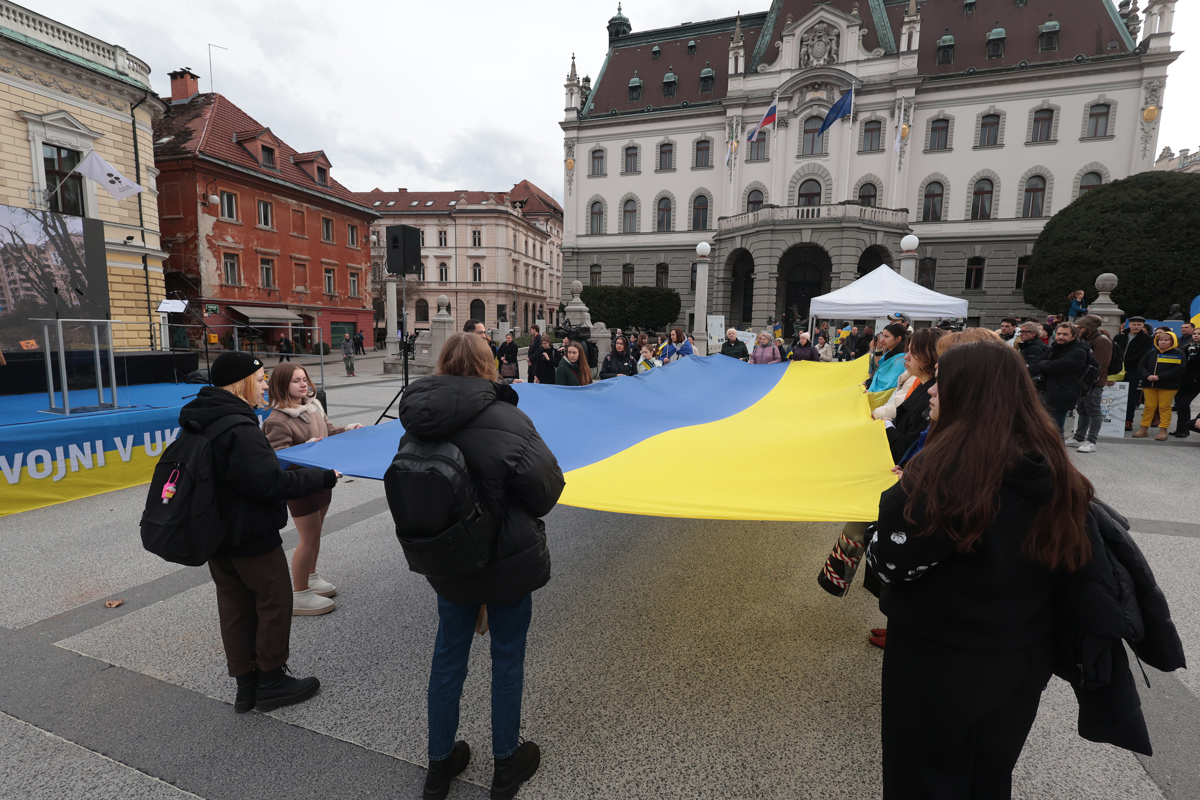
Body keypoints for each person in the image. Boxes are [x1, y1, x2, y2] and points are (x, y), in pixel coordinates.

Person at [865, 340, 1093, 799]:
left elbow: (890, 564)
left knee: (924, 774)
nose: (930, 391)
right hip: (1022, 653)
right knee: (989, 774)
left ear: (968, 393)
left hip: (940, 655)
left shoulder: (945, 473)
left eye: (942, 383)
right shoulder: (1051, 465)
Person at [395, 332, 564, 800]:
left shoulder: (417, 422)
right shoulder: (509, 418)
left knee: (448, 657)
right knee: (506, 659)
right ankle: (506, 767)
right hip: (506, 561)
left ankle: (438, 766)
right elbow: (546, 492)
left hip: (449, 561)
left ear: (443, 364)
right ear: (490, 365)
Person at [178, 352, 340, 714]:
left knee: (235, 605)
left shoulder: (205, 417)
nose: (266, 384)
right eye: (261, 378)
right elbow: (268, 482)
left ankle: (246, 684)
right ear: (242, 383)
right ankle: (271, 681)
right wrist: (325, 475)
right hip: (248, 530)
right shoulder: (239, 425)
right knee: (274, 599)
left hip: (216, 531)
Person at [263, 364, 364, 615]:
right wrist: (306, 449)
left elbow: (329, 432)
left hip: (321, 481)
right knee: (307, 539)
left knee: (316, 534)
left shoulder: (313, 406)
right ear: (281, 386)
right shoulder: (278, 419)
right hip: (300, 486)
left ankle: (311, 576)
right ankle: (299, 593)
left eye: (304, 378)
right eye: (296, 381)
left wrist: (349, 429)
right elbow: (277, 459)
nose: (303, 384)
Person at [1029, 322, 1088, 434]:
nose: (1061, 337)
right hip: (1047, 391)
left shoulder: (1079, 351)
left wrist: (1045, 364)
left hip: (1062, 394)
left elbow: (1055, 367)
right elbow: (1034, 364)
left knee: (1055, 429)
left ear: (1074, 336)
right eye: (1059, 333)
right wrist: (1047, 365)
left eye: (1065, 334)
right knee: (1044, 428)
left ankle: (1058, 451)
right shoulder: (1055, 347)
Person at [1070, 315, 1113, 453]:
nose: (1078, 329)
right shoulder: (1085, 339)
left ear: (1089, 328)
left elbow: (1101, 365)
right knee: (1082, 410)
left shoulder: (1102, 340)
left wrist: (1089, 381)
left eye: (1081, 327)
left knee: (1094, 411)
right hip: (1082, 381)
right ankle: (1078, 438)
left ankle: (1091, 441)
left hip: (1094, 382)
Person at [1133, 330, 1185, 440]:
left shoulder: (1178, 354)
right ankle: (1143, 429)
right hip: (1149, 384)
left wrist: (1160, 376)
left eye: (1166, 340)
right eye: (1160, 340)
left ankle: (1163, 430)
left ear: (1173, 341)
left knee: (1164, 407)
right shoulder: (1151, 353)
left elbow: (1178, 369)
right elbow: (1141, 365)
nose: (1163, 342)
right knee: (1149, 407)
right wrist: (1147, 375)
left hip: (1168, 386)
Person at [1113, 316, 1153, 430]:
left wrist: (1124, 363)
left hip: (1133, 370)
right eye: (1134, 324)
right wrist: (1118, 364)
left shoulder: (1147, 339)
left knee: (1131, 395)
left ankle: (1128, 420)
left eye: (1139, 325)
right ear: (1129, 325)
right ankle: (1113, 417)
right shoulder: (1119, 337)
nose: (1136, 327)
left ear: (1143, 326)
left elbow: (1142, 354)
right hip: (1117, 369)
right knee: (1115, 393)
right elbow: (1114, 351)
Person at [1172, 328, 1200, 438]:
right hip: (1182, 381)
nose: (1196, 335)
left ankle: (1184, 429)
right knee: (1180, 405)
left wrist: (1196, 378)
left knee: (1184, 403)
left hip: (1195, 383)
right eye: (1195, 334)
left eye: (1199, 334)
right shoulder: (1186, 347)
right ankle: (1180, 429)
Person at [867, 323, 908, 393]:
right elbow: (880, 364)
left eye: (886, 336)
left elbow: (889, 385)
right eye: (882, 336)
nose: (882, 340)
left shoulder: (901, 359)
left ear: (898, 338)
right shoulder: (890, 353)